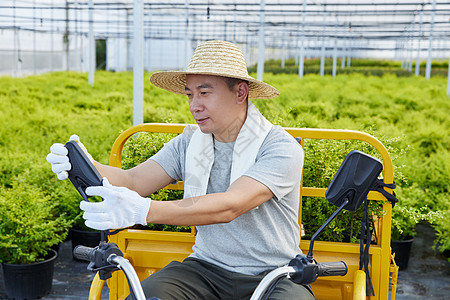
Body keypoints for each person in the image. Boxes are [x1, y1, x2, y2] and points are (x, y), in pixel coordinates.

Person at [47, 40, 313, 299]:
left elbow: (230, 206)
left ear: (240, 92)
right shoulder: (189, 142)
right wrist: (85, 164)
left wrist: (144, 210)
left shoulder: (280, 147)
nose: (194, 105)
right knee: (146, 296)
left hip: (277, 274)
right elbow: (133, 180)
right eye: (190, 94)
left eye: (205, 93)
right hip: (206, 269)